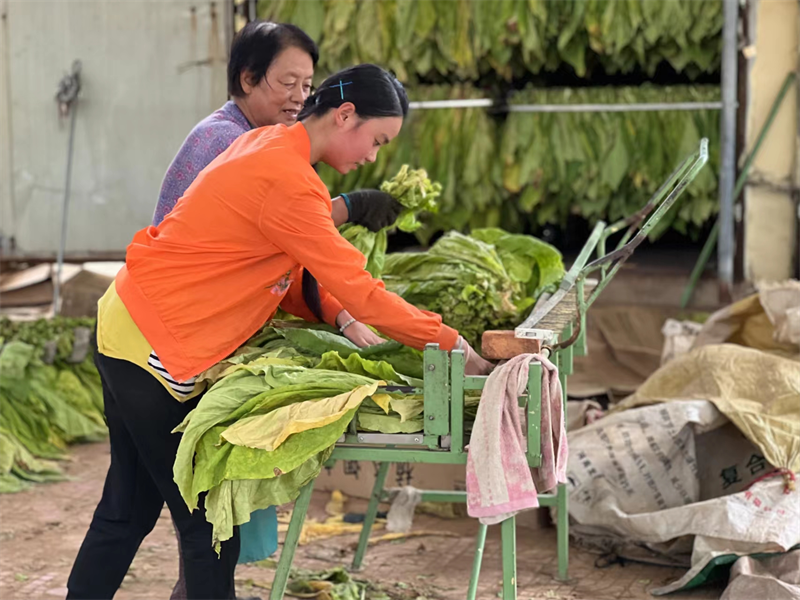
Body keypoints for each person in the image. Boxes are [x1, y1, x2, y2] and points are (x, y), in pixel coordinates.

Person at [66, 63, 492, 600]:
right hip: (154, 341)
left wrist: (338, 316)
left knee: (128, 510)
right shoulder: (289, 180)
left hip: (129, 318)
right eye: (377, 140)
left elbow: (274, 268)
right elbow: (364, 290)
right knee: (209, 526)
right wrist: (456, 346)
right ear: (344, 116)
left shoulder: (268, 146)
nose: (373, 157)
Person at [151, 21, 404, 600]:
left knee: (201, 508)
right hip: (183, 337)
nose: (298, 95)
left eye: (307, 82)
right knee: (182, 507)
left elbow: (287, 255)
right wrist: (347, 210)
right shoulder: (227, 140)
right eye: (287, 81)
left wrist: (340, 315)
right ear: (247, 78)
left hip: (207, 333)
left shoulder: (273, 140)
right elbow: (246, 241)